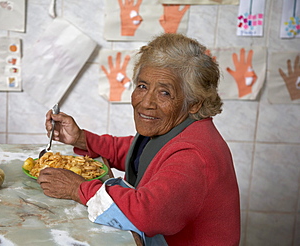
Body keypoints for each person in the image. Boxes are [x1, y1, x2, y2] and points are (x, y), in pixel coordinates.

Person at [37, 33, 240, 245]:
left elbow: (147, 214)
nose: (146, 103)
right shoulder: (180, 129)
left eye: (164, 93)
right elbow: (138, 153)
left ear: (195, 103)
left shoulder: (193, 154)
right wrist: (80, 138)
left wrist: (76, 189)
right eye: (142, 86)